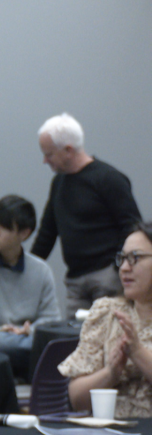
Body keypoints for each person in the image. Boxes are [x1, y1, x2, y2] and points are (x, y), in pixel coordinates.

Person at [31, 113, 142, 318]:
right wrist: (29, 269)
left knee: (109, 335)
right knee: (76, 340)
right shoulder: (59, 184)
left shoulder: (108, 178)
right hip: (75, 280)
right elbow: (47, 232)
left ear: (68, 150)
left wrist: (117, 267)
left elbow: (132, 226)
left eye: (49, 154)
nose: (45, 160)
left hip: (107, 277)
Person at [59, 223, 152, 418]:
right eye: (122, 259)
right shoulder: (106, 312)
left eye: (135, 258)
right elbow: (77, 400)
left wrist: (137, 352)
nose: (125, 268)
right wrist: (111, 373)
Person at [0, 195, 60, 377]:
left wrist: (29, 330)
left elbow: (52, 319)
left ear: (24, 233)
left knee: (55, 343)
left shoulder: (40, 270)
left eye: (4, 227)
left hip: (26, 338)